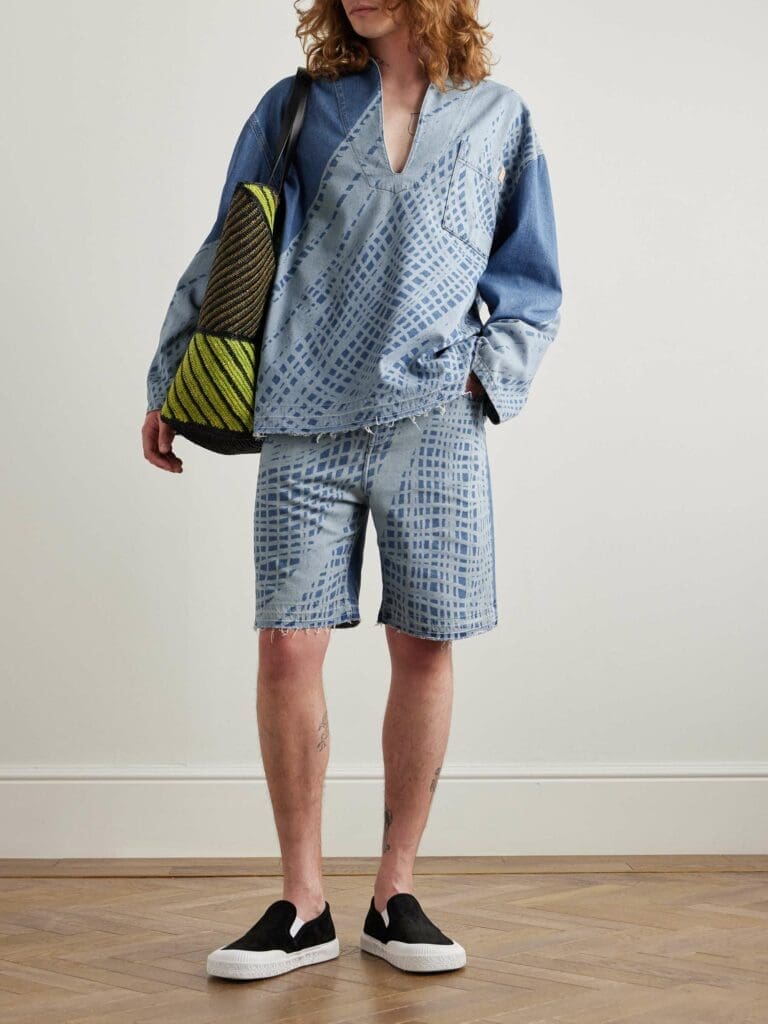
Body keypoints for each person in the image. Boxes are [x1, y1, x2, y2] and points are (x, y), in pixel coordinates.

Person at [142, 0, 562, 981]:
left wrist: (480, 374)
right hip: (304, 408)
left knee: (424, 641)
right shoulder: (295, 107)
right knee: (287, 645)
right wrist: (170, 377)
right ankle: (303, 903)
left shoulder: (500, 118)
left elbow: (532, 280)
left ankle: (393, 894)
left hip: (436, 420)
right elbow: (228, 246)